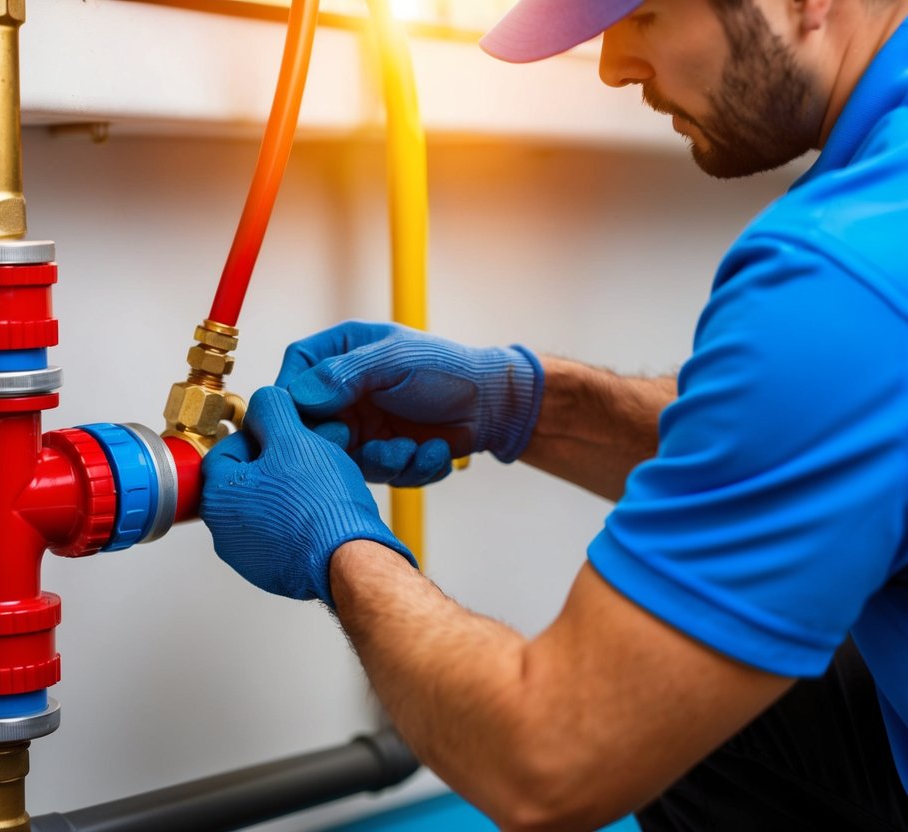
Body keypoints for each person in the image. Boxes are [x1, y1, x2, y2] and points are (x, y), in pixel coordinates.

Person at [199, 0, 908, 825]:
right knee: (715, 706)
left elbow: (550, 762)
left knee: (644, 714)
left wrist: (334, 542)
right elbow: (818, 447)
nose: (610, 67)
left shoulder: (844, 276)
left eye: (640, 15)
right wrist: (522, 403)